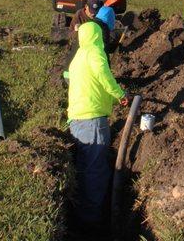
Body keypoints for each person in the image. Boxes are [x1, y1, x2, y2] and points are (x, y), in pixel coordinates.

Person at [67, 20, 129, 225]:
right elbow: (104, 76)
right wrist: (120, 95)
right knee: (95, 172)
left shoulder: (78, 57)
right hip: (91, 120)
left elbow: (93, 86)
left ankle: (83, 217)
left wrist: (112, 99)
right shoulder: (94, 52)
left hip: (78, 120)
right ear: (97, 36)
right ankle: (91, 222)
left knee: (85, 168)